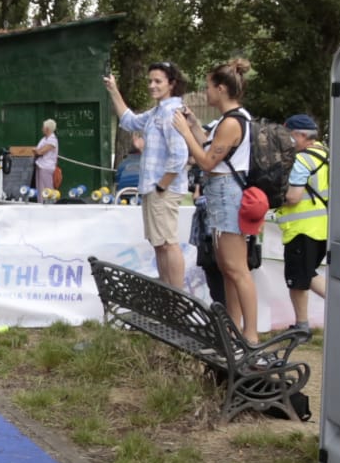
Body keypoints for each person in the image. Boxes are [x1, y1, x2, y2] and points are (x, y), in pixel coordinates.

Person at [172, 59, 257, 335]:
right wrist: (194, 124)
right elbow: (209, 143)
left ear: (221, 89)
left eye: (208, 86)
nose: (205, 92)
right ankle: (233, 328)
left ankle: (251, 334)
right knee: (226, 267)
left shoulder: (233, 122)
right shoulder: (225, 120)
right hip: (219, 194)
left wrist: (185, 134)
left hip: (228, 193)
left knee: (237, 268)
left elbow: (208, 162)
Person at [105, 62, 191, 292]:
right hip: (154, 188)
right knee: (160, 244)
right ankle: (167, 296)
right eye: (150, 81)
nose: (152, 85)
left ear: (171, 84)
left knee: (168, 244)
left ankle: (178, 299)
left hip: (163, 188)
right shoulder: (157, 112)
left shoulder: (172, 113)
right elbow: (130, 121)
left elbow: (180, 155)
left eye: (158, 81)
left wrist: (162, 185)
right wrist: (114, 90)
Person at [275, 114, 330, 330]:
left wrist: (274, 197)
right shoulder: (324, 154)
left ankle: (302, 324)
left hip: (301, 229)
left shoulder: (301, 160)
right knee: (308, 275)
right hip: (321, 228)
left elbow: (293, 196)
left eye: (288, 135)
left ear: (300, 135)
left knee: (299, 279)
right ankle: (305, 322)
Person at [33, 119, 59, 201]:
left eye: (43, 127)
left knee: (47, 187)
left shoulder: (52, 140)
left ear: (47, 129)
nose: (42, 129)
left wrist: (36, 151)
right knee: (40, 187)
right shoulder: (44, 139)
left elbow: (41, 151)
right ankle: (41, 203)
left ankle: (51, 203)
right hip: (40, 165)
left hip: (46, 166)